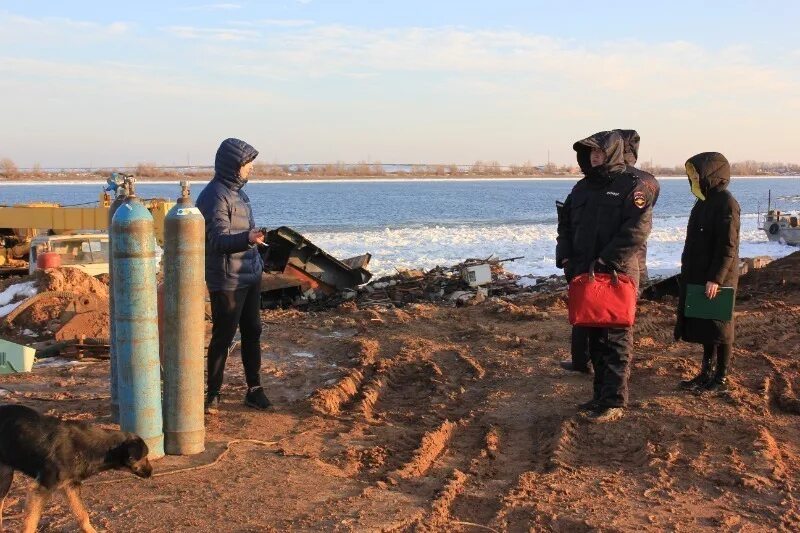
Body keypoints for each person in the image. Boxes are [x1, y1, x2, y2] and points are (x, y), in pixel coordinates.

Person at [556, 130, 654, 422]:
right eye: (590, 154)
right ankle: (599, 396)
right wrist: (565, 256)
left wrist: (605, 260)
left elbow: (637, 230)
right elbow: (566, 225)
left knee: (615, 338)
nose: (593, 158)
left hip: (616, 274)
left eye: (598, 153)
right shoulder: (582, 188)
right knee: (594, 337)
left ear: (611, 153)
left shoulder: (632, 186)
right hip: (585, 274)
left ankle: (614, 401)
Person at [196, 138, 271, 413]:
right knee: (223, 336)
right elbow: (217, 240)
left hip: (249, 274)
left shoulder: (239, 194)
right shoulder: (213, 196)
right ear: (233, 165)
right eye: (247, 164)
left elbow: (242, 234)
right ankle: (213, 393)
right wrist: (248, 238)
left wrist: (256, 243)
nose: (250, 169)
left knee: (253, 331)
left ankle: (254, 389)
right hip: (227, 279)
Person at [674, 152, 740, 392]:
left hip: (718, 277)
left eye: (696, 174)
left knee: (721, 327)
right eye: (691, 175)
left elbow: (727, 246)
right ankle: (705, 373)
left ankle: (720, 378)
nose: (693, 178)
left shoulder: (727, 203)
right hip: (700, 274)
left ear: (711, 173)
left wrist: (716, 278)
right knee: (706, 325)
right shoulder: (703, 202)